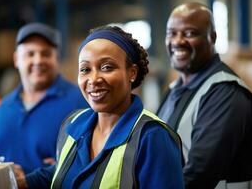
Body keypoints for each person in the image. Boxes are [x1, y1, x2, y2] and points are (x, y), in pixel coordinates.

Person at [19, 25, 184, 188]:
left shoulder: (152, 137)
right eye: (85, 69)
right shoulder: (72, 124)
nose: (94, 79)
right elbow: (66, 171)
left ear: (132, 73)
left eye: (107, 67)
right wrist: (22, 181)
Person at [157, 2, 252, 189]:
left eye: (189, 33)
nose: (177, 41)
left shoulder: (225, 93)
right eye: (172, 33)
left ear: (212, 37)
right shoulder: (175, 90)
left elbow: (199, 173)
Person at [0, 22, 88, 175]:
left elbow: (90, 164)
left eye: (46, 53)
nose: (38, 60)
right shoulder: (2, 110)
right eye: (30, 54)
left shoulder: (80, 103)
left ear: (57, 59)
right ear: (16, 59)